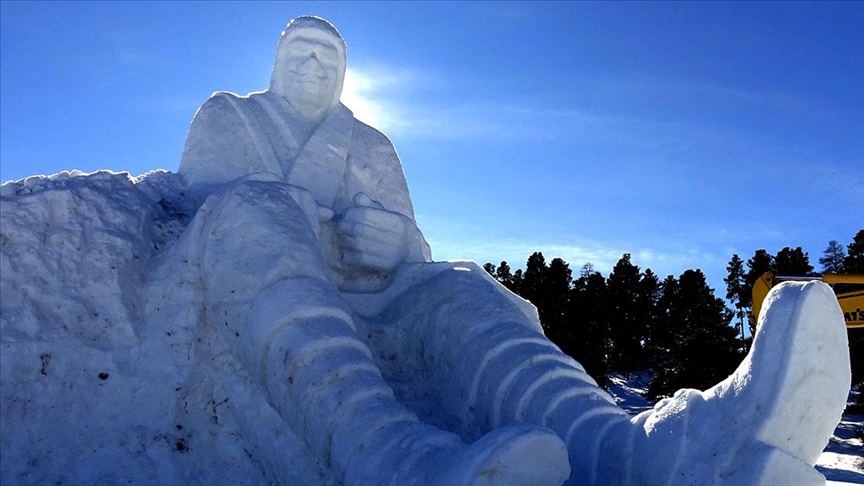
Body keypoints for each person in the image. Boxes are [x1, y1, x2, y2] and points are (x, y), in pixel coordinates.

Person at [177, 16, 850, 485]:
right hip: (271, 295)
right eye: (302, 50)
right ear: (275, 61)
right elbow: (208, 211)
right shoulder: (229, 118)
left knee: (468, 292)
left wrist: (397, 243)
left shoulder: (370, 143)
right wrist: (305, 226)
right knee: (253, 211)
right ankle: (395, 461)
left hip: (381, 297)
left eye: (329, 55)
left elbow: (414, 243)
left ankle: (641, 453)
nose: (315, 62)